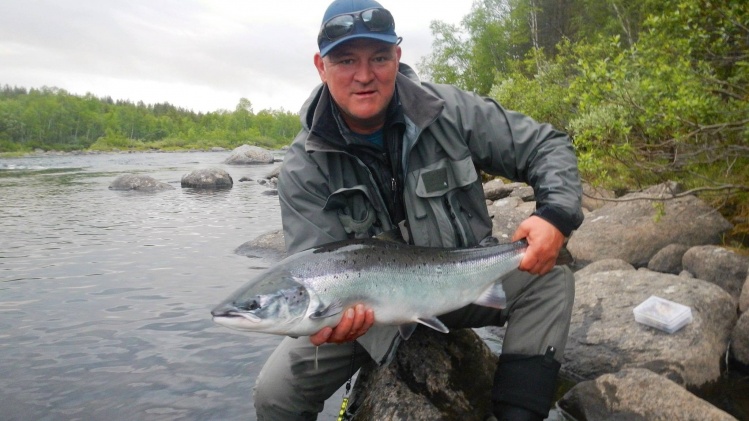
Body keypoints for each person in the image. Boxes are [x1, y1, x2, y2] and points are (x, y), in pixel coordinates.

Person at [256, 0, 584, 419]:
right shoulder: (303, 167)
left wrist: (555, 215)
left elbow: (547, 144)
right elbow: (314, 266)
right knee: (274, 394)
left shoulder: (449, 111)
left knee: (550, 281)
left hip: (461, 283)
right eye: (345, 60)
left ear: (397, 56)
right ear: (321, 66)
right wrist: (337, 323)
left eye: (378, 57)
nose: (363, 75)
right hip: (365, 318)